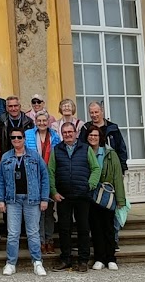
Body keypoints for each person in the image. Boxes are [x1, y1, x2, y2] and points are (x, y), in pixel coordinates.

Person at [0, 126, 49, 276]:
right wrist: (1, 200)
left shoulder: (35, 156)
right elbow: (0, 180)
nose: (16, 140)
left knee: (33, 232)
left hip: (32, 199)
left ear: (24, 139)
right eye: (13, 138)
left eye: (19, 137)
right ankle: (11, 263)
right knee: (13, 233)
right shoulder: (6, 157)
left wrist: (44, 198)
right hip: (13, 200)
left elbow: (44, 178)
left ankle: (37, 262)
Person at [49, 121, 100, 272]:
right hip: (63, 196)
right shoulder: (56, 150)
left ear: (76, 133)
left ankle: (83, 260)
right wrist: (54, 191)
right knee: (64, 229)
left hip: (82, 195)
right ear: (61, 134)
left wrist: (90, 185)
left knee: (83, 228)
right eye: (64, 133)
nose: (68, 135)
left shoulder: (85, 148)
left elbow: (96, 168)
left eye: (70, 132)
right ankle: (66, 259)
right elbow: (50, 172)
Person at [87, 125, 126, 271]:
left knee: (109, 228)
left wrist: (120, 199)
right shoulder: (85, 152)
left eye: (96, 135)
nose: (93, 137)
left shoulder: (110, 153)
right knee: (95, 229)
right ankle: (99, 258)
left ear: (100, 137)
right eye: (90, 135)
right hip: (91, 195)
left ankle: (111, 258)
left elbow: (117, 176)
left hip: (107, 194)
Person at [25, 111, 60, 254]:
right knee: (38, 211)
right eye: (39, 120)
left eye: (44, 121)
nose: (42, 123)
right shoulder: (28, 135)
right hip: (34, 176)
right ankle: (40, 241)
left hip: (50, 175)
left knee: (49, 211)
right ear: (35, 122)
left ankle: (49, 240)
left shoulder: (55, 137)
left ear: (48, 122)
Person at [82, 102, 129, 174]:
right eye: (91, 113)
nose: (94, 115)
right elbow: (81, 148)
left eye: (96, 112)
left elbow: (121, 148)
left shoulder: (113, 128)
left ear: (102, 111)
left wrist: (122, 168)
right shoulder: (85, 128)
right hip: (91, 166)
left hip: (110, 165)